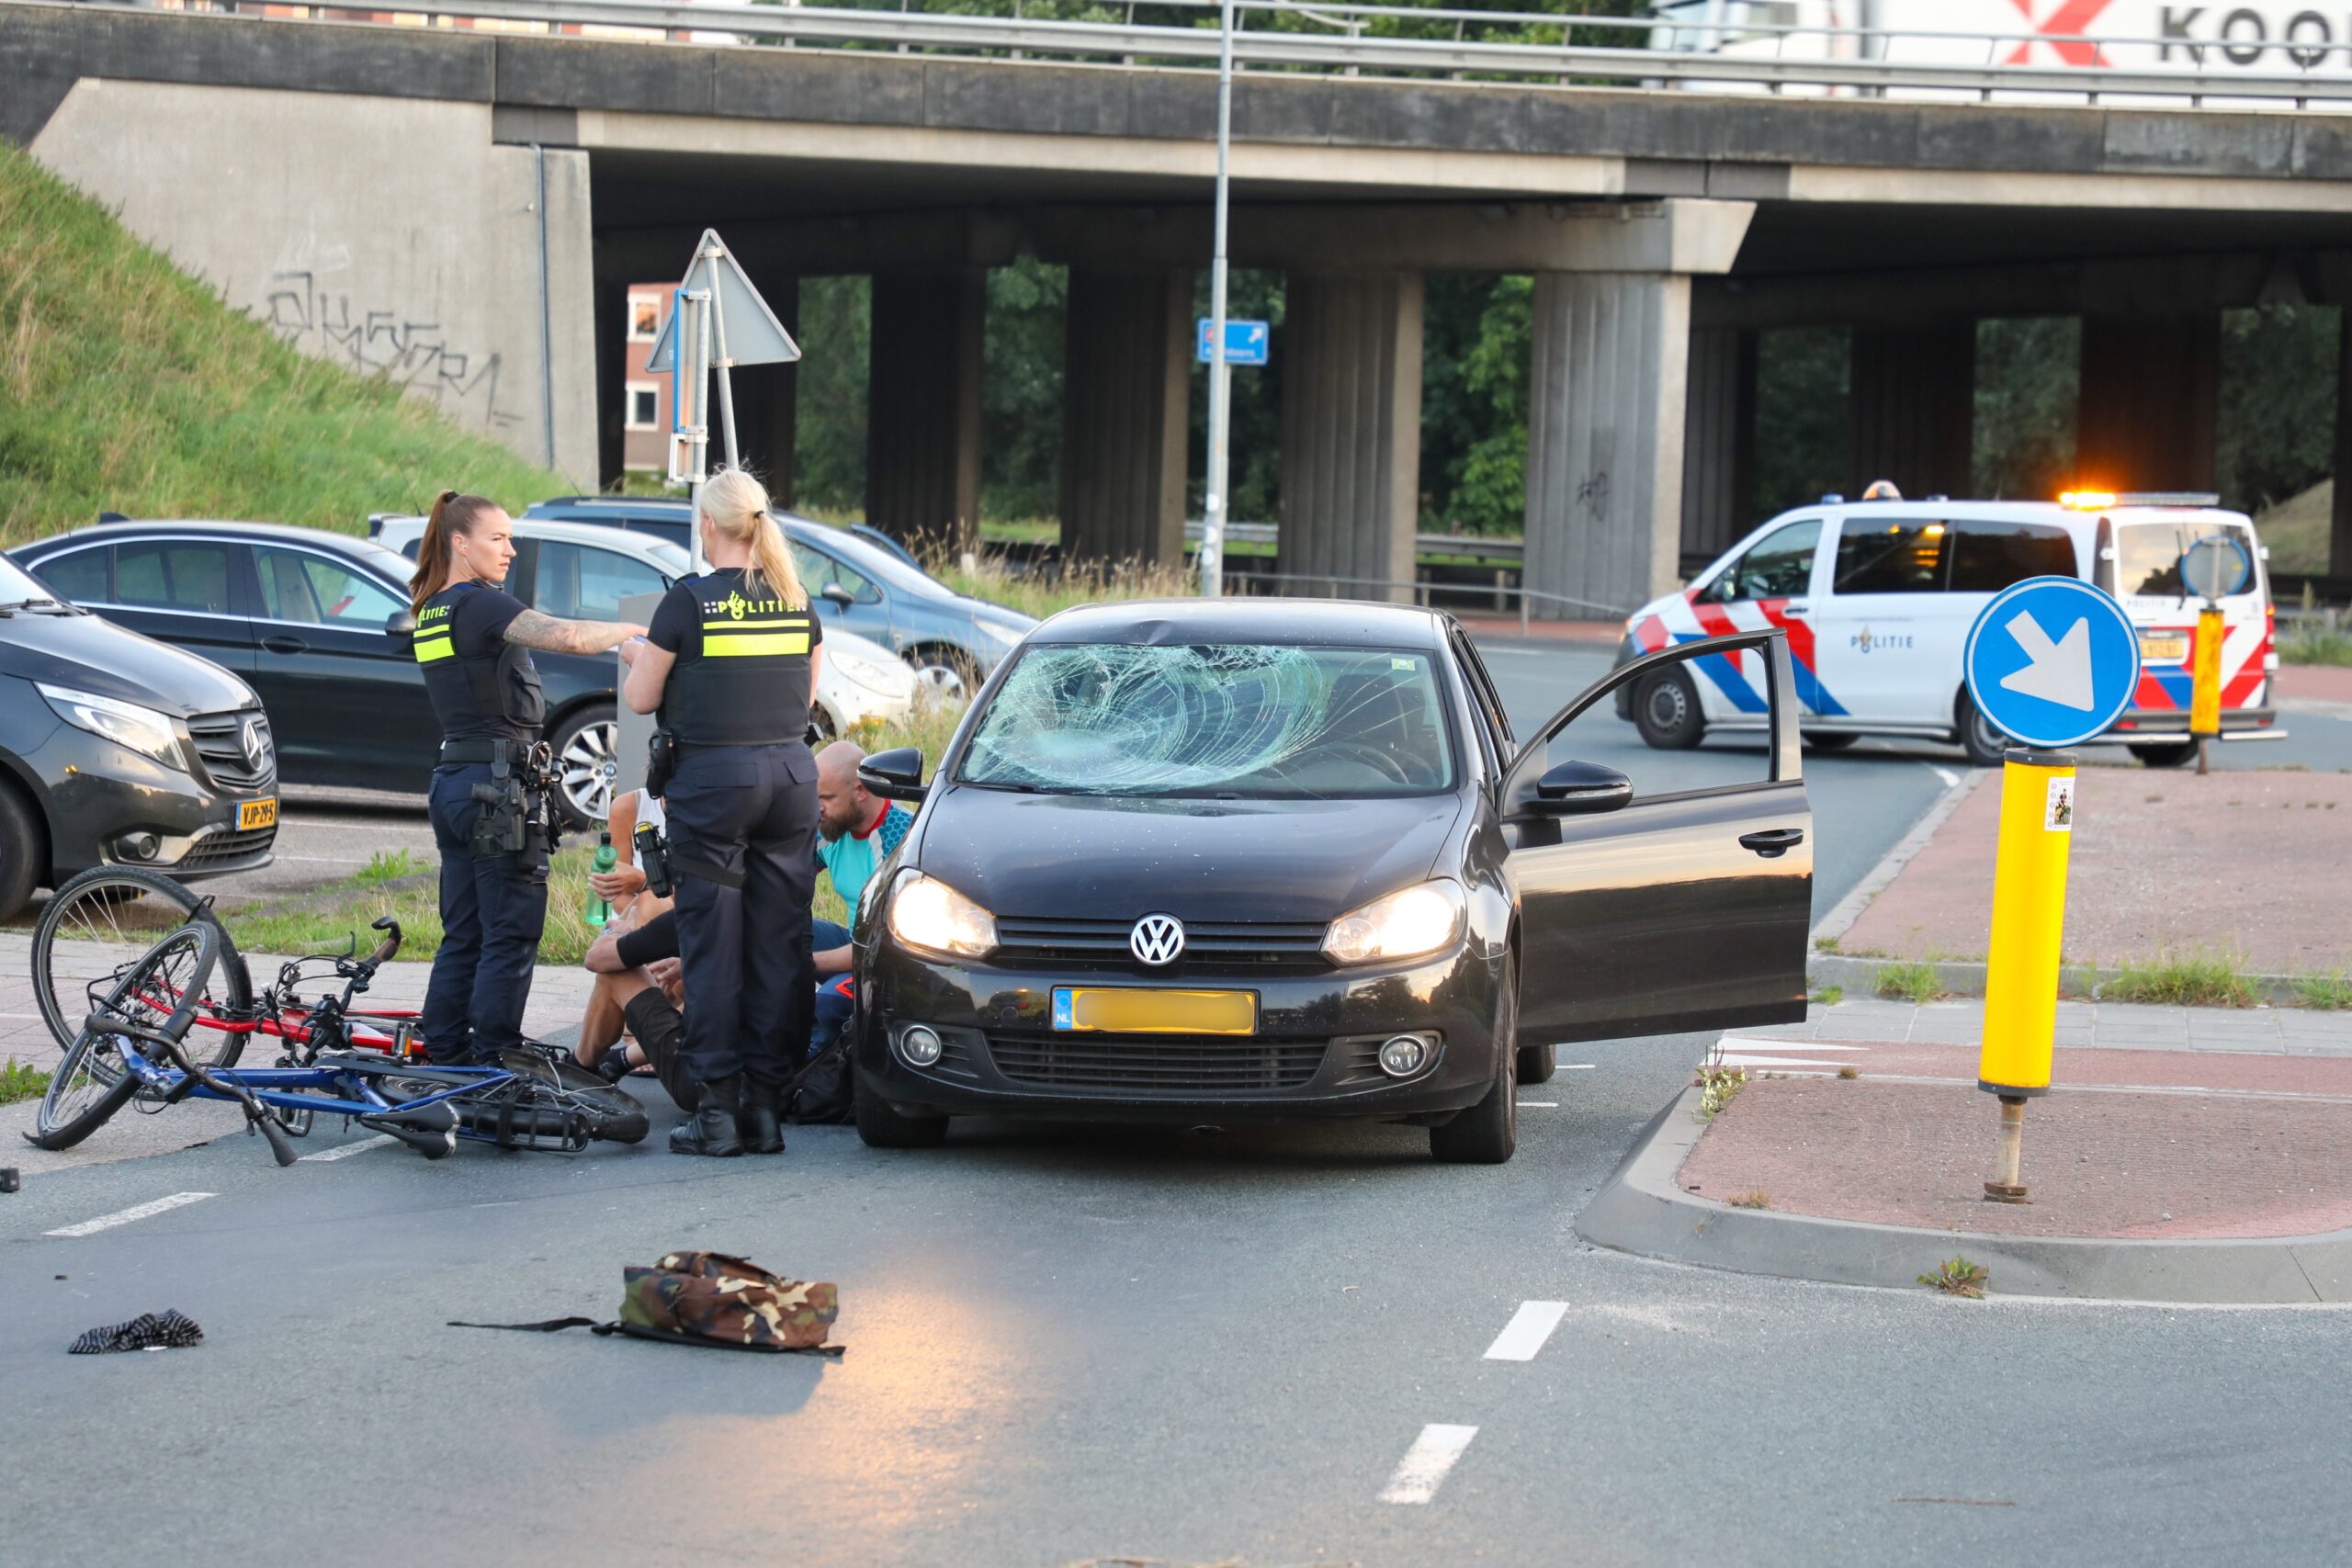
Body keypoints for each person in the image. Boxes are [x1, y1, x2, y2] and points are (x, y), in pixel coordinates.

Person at [619, 467, 821, 1158]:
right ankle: (766, 1111)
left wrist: (635, 654)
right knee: (775, 946)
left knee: (712, 949)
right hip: (792, 781)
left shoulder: (687, 602)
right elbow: (805, 695)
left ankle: (717, 1115)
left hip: (715, 787)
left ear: (709, 525)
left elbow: (643, 698)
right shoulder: (795, 598)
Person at [409, 491, 642, 1066]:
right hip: (496, 789)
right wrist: (639, 630)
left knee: (464, 931)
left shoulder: (431, 609)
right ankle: (493, 1059)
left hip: (455, 782)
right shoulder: (479, 605)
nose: (511, 550)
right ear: (459, 543)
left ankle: (443, 1054)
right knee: (509, 931)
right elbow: (567, 637)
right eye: (498, 538)